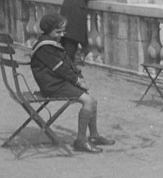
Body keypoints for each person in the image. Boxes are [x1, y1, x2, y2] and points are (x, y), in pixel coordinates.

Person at [30, 13, 115, 154]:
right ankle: (81, 140)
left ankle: (93, 135)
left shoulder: (49, 42)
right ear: (48, 30)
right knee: (89, 102)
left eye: (63, 31)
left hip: (56, 82)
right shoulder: (46, 47)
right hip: (52, 86)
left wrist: (78, 76)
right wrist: (77, 81)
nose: (62, 35)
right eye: (58, 32)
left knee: (92, 101)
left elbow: (67, 64)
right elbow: (61, 69)